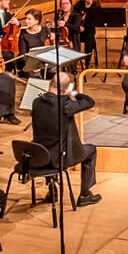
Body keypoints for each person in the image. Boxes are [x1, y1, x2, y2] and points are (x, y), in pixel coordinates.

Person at [29, 73, 100, 206]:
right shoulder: (65, 105)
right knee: (91, 150)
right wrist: (73, 93)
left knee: (48, 144)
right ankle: (85, 194)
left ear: (50, 83)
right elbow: (89, 102)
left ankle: (52, 191)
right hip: (60, 158)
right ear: (64, 89)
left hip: (39, 156)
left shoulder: (36, 102)